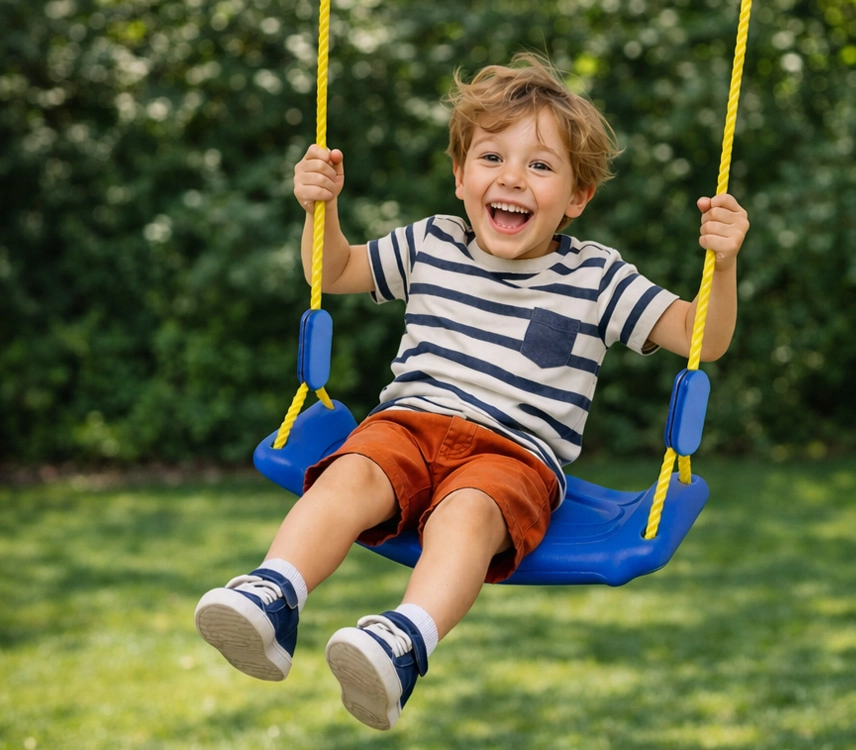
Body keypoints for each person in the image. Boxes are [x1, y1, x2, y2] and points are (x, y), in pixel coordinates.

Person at [194, 52, 749, 731]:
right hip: (406, 424)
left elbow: (700, 337)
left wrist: (722, 265)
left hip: (513, 455)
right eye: (491, 158)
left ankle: (401, 643)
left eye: (540, 166)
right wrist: (321, 208)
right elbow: (331, 270)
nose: (512, 177)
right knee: (349, 474)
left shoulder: (597, 277)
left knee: (467, 515)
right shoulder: (432, 243)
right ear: (461, 176)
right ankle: (273, 595)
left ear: (577, 197)